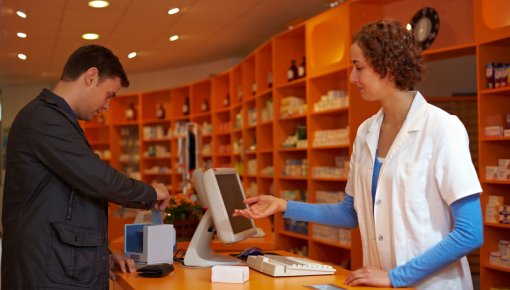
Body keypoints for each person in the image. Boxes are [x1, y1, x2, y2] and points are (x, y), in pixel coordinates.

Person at [234, 19, 483, 290]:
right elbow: (351, 213)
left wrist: (396, 276)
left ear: (387, 67)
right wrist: (283, 205)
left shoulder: (441, 128)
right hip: (380, 282)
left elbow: (469, 233)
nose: (352, 78)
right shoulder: (367, 132)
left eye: (358, 67)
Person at [1, 45, 171, 289]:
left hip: (57, 266)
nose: (106, 106)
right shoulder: (44, 119)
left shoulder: (59, 121)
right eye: (109, 95)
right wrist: (150, 193)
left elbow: (71, 202)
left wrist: (101, 256)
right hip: (44, 274)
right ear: (91, 77)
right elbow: (97, 178)